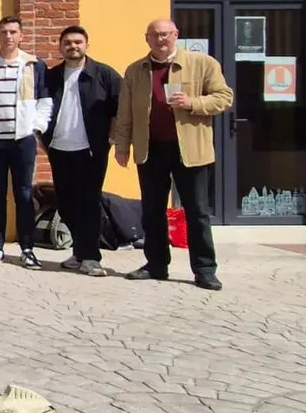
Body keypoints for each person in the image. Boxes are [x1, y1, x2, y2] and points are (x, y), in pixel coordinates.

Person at [113, 18, 231, 291]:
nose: (160, 39)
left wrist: (193, 103)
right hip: (150, 148)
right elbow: (125, 112)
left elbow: (224, 97)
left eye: (165, 34)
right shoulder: (135, 70)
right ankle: (156, 265)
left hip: (190, 149)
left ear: (176, 35)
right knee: (152, 211)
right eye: (154, 35)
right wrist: (122, 145)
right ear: (147, 39)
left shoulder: (203, 63)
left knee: (197, 211)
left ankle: (204, 270)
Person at [0, 16, 52, 270]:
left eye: (13, 32)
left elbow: (45, 101)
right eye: (4, 32)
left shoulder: (34, 65)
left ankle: (27, 248)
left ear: (21, 36)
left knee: (24, 194)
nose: (8, 36)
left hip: (22, 140)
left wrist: (35, 128)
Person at [42, 25, 121, 277]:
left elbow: (120, 107)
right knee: (65, 203)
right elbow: (40, 107)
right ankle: (79, 251)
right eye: (67, 42)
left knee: (89, 202)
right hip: (58, 148)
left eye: (78, 42)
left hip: (91, 150)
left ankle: (90, 257)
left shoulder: (104, 75)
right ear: (60, 47)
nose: (73, 46)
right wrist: (40, 135)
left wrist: (113, 136)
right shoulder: (52, 76)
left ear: (87, 45)